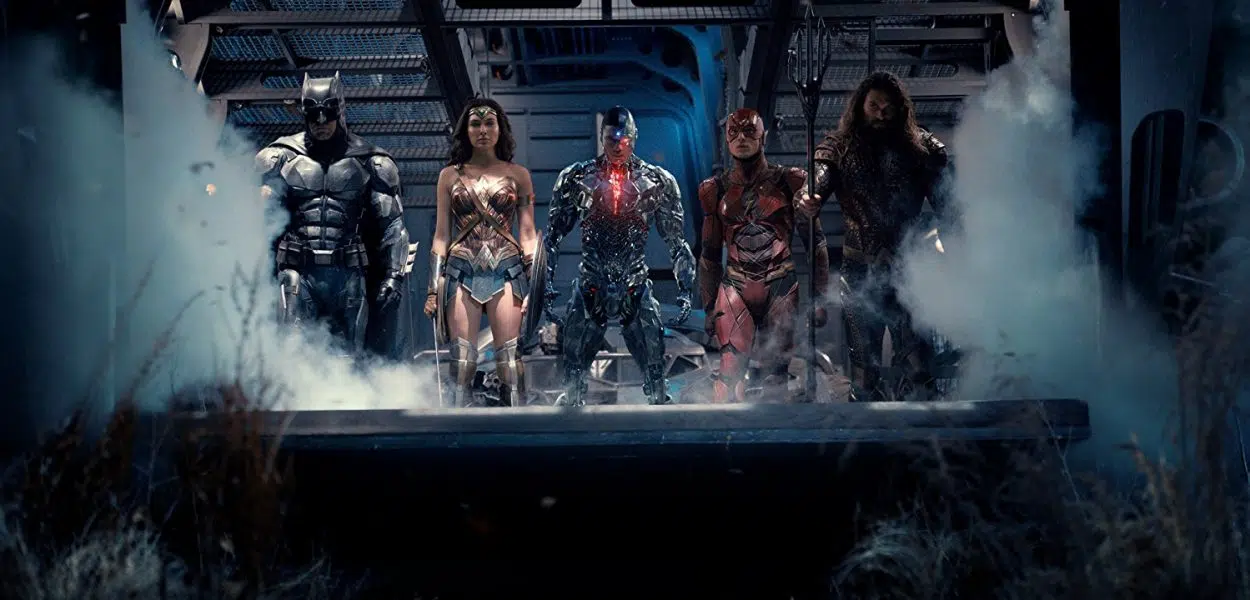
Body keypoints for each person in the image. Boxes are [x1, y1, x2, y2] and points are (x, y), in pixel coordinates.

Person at [799, 71, 951, 402]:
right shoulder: (838, 148)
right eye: (874, 106)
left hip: (908, 270)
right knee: (863, 372)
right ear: (860, 107)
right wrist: (809, 197)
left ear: (900, 109)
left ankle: (927, 430)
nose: (881, 114)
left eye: (888, 107)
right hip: (858, 270)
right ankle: (863, 432)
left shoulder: (922, 148)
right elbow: (816, 182)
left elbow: (948, 202)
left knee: (918, 365)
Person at [542, 106, 696, 406]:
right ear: (602, 138)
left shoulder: (658, 181)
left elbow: (676, 242)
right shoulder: (576, 178)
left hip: (634, 281)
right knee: (573, 372)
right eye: (611, 139)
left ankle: (658, 401)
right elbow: (552, 237)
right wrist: (545, 285)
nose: (617, 145)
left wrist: (686, 290)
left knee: (654, 367)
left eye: (623, 139)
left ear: (634, 138)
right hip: (591, 280)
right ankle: (572, 404)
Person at [255, 72, 410, 355]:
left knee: (351, 357)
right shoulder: (279, 158)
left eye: (328, 114)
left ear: (340, 112)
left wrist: (393, 276)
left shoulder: (370, 161)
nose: (321, 122)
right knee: (292, 353)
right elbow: (256, 223)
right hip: (298, 272)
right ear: (304, 114)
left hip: (347, 273)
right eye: (313, 115)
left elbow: (392, 225)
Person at [698, 107, 830, 403]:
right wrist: (708, 306)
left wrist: (820, 299)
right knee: (729, 371)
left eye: (749, 131)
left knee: (775, 378)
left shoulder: (791, 182)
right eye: (734, 132)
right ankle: (724, 431)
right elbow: (709, 254)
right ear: (726, 139)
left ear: (763, 137)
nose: (741, 138)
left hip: (779, 283)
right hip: (735, 285)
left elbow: (816, 245)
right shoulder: (713, 190)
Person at [424, 98, 539, 407]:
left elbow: (528, 234)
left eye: (490, 123)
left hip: (506, 270)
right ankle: (455, 430)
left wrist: (535, 286)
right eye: (475, 124)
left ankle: (518, 429)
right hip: (461, 270)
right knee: (461, 362)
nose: (483, 130)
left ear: (501, 129)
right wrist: (432, 289)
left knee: (510, 361)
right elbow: (441, 235)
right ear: (466, 130)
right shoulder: (449, 176)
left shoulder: (519, 175)